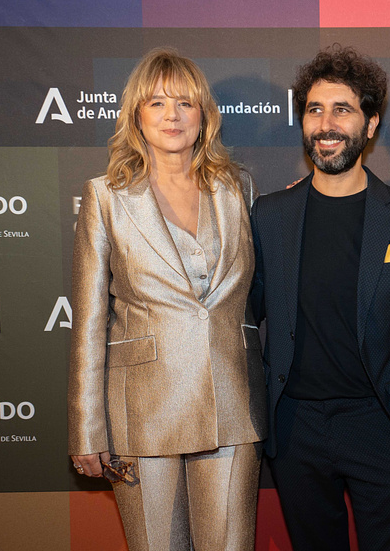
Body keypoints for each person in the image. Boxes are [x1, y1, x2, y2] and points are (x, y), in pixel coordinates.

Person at [249, 45, 390, 551]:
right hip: (295, 430)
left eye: (343, 109)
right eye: (315, 110)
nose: (326, 124)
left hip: (384, 425)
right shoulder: (270, 216)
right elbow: (243, 319)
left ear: (371, 122)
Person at [67, 47, 267, 551]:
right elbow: (90, 323)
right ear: (136, 116)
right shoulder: (106, 197)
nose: (172, 115)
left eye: (185, 102)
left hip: (231, 401)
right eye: (156, 103)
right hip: (142, 412)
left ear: (205, 116)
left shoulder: (238, 187)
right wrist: (87, 429)